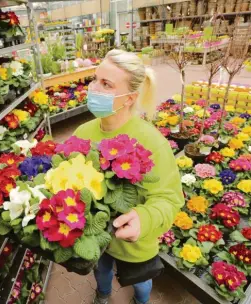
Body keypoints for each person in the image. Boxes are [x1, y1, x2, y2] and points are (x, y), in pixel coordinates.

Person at [73, 49, 184, 304]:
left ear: (129, 98)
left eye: (106, 84)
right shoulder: (82, 132)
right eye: (94, 79)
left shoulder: (151, 141)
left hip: (135, 242)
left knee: (142, 283)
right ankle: (102, 296)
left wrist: (144, 219)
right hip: (96, 236)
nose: (93, 88)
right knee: (101, 271)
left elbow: (169, 198)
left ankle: (141, 301)